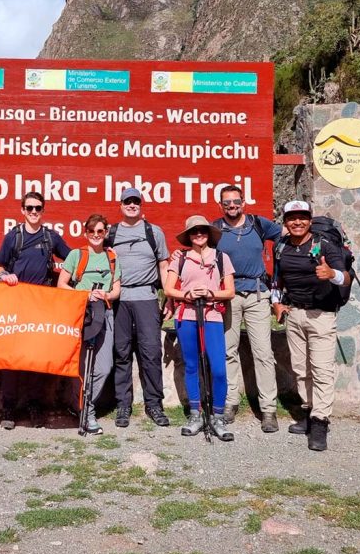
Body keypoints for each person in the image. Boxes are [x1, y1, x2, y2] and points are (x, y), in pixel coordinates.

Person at [271, 200, 350, 452]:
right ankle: (308, 411)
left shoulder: (324, 245)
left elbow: (345, 276)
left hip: (322, 315)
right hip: (294, 313)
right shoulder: (280, 246)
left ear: (310, 220)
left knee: (322, 369)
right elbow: (277, 279)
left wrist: (332, 275)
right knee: (300, 368)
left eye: (302, 217)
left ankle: (320, 422)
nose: (297, 222)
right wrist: (276, 303)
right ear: (285, 222)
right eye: (292, 218)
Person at [0, 191, 71, 428]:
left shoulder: (51, 238)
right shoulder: (12, 237)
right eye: (29, 208)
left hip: (42, 305)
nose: (34, 212)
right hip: (15, 305)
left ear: (43, 210)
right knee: (11, 358)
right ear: (22, 210)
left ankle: (34, 406)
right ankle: (8, 407)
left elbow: (72, 260)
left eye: (38, 208)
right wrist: (5, 276)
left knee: (37, 358)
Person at [212, 185, 282, 432]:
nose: (232, 206)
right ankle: (231, 402)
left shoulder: (258, 224)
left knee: (263, 352)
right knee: (228, 350)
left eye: (236, 201)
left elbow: (286, 236)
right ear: (220, 205)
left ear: (244, 202)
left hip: (257, 294)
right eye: (227, 202)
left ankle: (268, 409)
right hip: (228, 296)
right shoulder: (215, 229)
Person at [164, 215, 236, 440]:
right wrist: (187, 294)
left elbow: (230, 291)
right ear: (188, 235)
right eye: (194, 232)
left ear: (208, 233)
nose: (198, 234)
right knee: (192, 366)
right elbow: (168, 289)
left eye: (202, 230)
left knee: (218, 368)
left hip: (212, 315)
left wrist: (210, 293)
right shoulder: (180, 259)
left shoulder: (222, 258)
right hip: (186, 315)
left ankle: (217, 416)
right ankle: (195, 414)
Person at [106, 187, 170, 428]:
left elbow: (163, 265)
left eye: (135, 201)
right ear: (120, 205)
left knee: (151, 352)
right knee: (121, 352)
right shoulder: (111, 233)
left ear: (140, 205)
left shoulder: (154, 232)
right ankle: (123, 405)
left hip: (147, 296)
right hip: (120, 298)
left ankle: (154, 404)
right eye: (127, 201)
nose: (131, 205)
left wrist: (169, 297)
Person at [57, 214, 122, 435]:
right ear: (86, 233)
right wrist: (82, 294)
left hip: (105, 314)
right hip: (81, 315)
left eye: (100, 232)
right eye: (92, 232)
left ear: (105, 233)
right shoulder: (77, 255)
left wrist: (105, 294)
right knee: (83, 367)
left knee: (104, 367)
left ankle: (84, 405)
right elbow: (62, 284)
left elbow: (116, 290)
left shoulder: (112, 257)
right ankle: (87, 412)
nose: (96, 235)